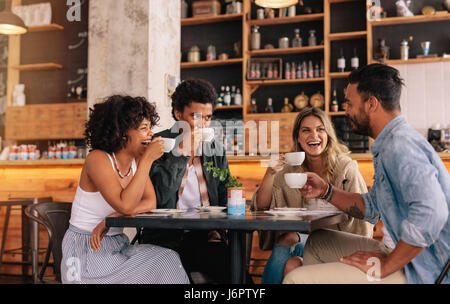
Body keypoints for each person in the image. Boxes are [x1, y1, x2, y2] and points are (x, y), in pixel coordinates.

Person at [283, 63, 450, 284]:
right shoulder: (390, 142)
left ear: (371, 104)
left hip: (426, 270)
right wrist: (326, 191)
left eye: (350, 104)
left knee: (296, 278)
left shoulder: (400, 145)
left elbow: (431, 213)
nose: (346, 111)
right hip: (408, 257)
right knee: (318, 240)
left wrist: (386, 266)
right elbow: (372, 208)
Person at [61, 95, 190, 284]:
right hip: (87, 250)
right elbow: (127, 206)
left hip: (117, 246)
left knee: (167, 259)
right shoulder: (98, 159)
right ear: (122, 133)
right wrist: (148, 160)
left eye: (150, 128)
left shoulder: (136, 162)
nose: (150, 135)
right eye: (143, 129)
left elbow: (150, 202)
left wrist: (111, 218)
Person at [252, 107, 373, 284]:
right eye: (306, 130)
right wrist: (270, 173)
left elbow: (362, 216)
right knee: (292, 258)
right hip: (305, 242)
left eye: (320, 129)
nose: (313, 135)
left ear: (328, 135)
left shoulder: (345, 168)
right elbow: (261, 205)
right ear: (298, 138)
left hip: (339, 243)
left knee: (290, 242)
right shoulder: (290, 169)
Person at [140, 79, 232, 284]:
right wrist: (181, 152)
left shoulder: (214, 148)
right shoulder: (158, 145)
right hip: (166, 238)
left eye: (207, 117)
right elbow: (160, 198)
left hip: (205, 236)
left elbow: (226, 192)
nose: (203, 124)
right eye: (196, 116)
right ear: (178, 114)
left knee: (236, 274)